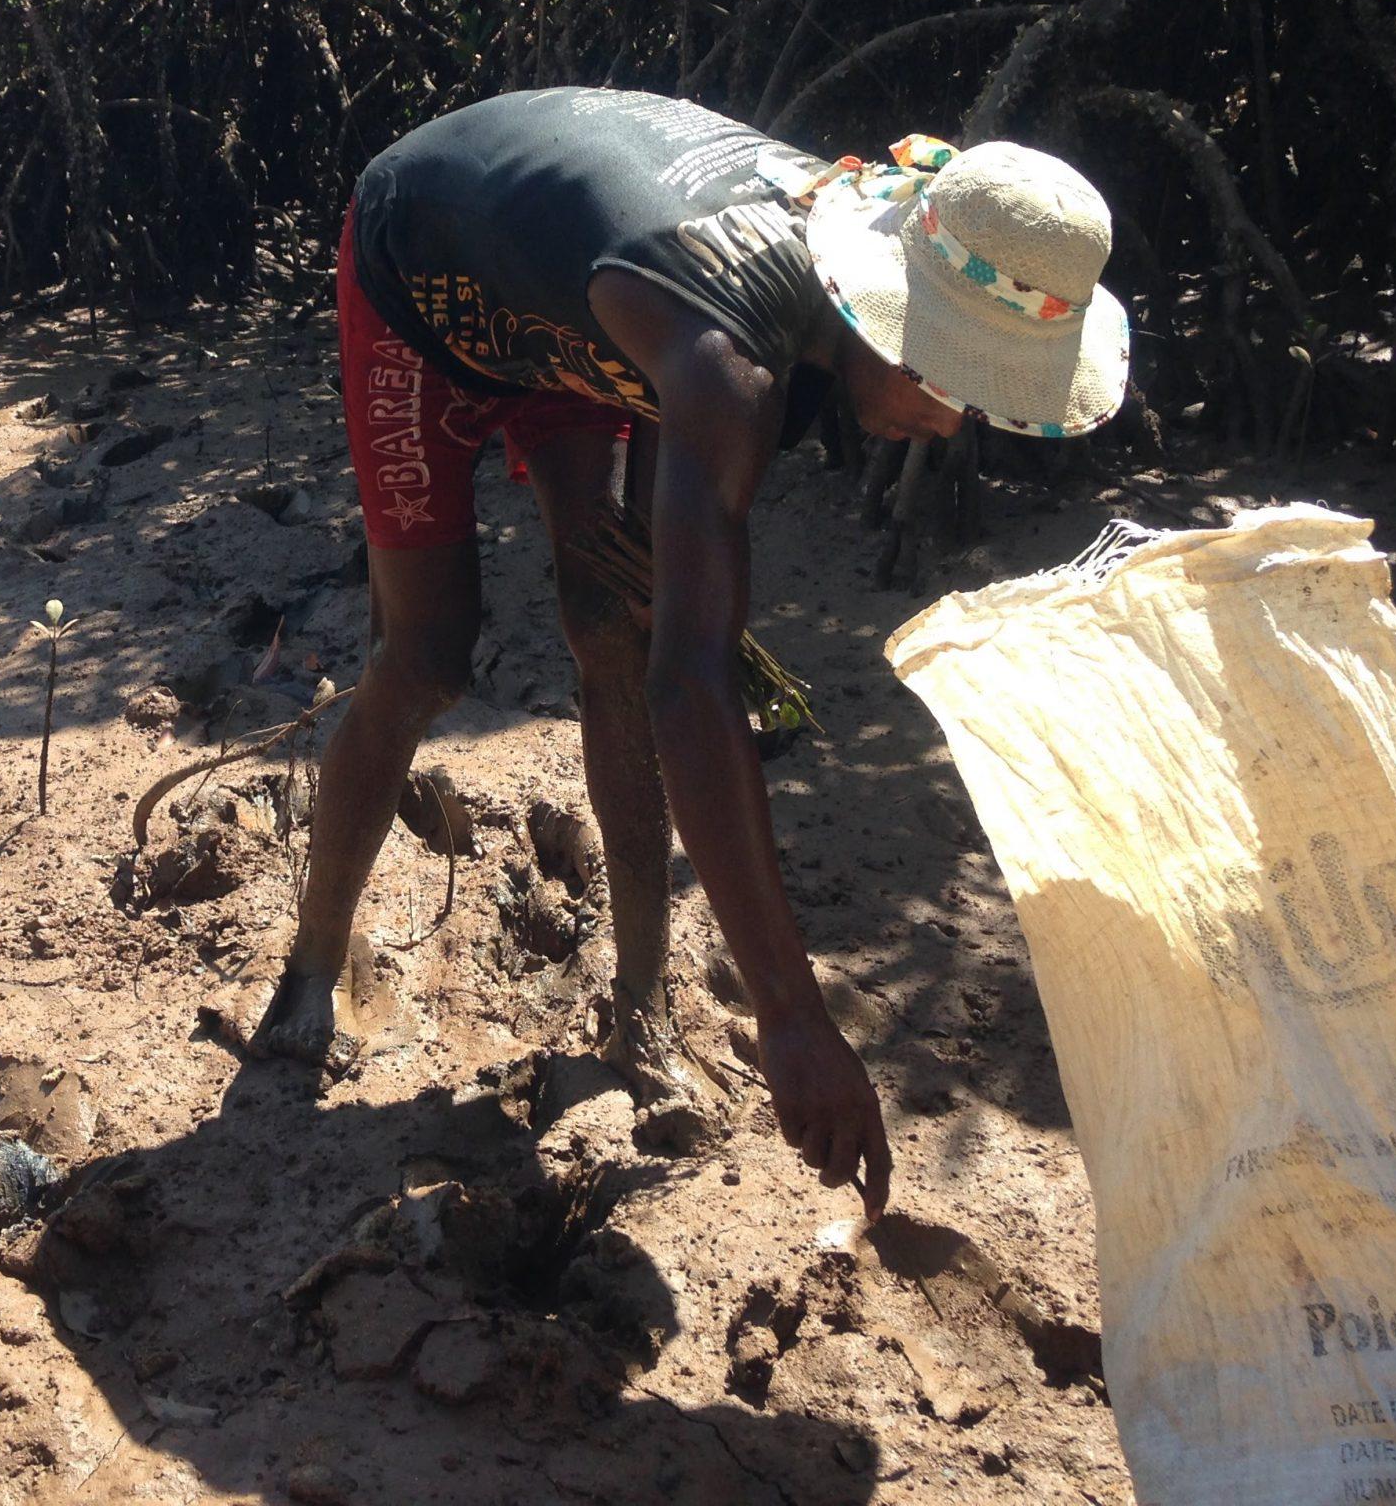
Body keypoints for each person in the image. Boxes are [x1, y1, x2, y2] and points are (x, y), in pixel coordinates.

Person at [249, 88, 1131, 1215]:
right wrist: (792, 1020)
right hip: (427, 271)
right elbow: (695, 694)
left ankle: (640, 1003)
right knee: (426, 654)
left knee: (617, 627)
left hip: (586, 314)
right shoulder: (727, 359)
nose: (953, 422)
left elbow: (666, 654)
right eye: (949, 376)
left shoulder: (769, 305)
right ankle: (311, 965)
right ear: (880, 312)